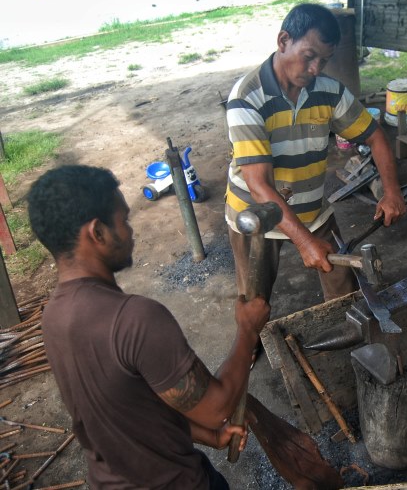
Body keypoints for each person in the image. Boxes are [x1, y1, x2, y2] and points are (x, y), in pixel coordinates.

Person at [28, 165, 270, 489]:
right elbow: (217, 408)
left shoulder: (53, 318)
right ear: (97, 233)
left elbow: (133, 409)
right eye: (123, 221)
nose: (130, 232)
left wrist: (208, 436)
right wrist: (247, 331)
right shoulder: (136, 320)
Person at [224, 3, 406, 303]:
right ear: (283, 41)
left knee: (343, 288)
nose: (315, 70)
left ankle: (349, 332)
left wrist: (392, 191)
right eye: (309, 57)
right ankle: (251, 345)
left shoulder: (328, 91)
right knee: (253, 301)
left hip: (312, 209)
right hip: (256, 215)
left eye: (324, 60)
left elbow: (375, 136)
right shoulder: (247, 98)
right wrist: (303, 241)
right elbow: (259, 186)